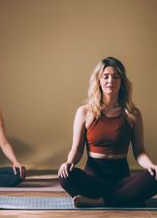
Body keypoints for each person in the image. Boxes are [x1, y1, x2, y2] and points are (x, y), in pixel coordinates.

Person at [58, 57, 157, 207]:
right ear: (99, 80)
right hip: (93, 180)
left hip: (121, 181)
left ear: (122, 81)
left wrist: (151, 166)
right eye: (106, 76)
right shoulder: (84, 112)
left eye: (116, 77)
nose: (111, 81)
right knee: (65, 176)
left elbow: (139, 151)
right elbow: (76, 149)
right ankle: (122, 198)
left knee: (155, 177)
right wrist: (69, 162)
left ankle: (99, 201)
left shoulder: (133, 114)